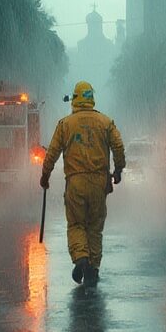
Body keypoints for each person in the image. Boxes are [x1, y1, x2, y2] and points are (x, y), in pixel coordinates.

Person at [40, 80, 126, 287]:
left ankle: (81, 258)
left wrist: (45, 175)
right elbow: (119, 147)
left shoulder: (65, 124)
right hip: (99, 182)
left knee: (77, 224)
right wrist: (118, 170)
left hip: (75, 182)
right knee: (95, 227)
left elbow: (52, 153)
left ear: (75, 99)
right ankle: (93, 269)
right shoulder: (105, 123)